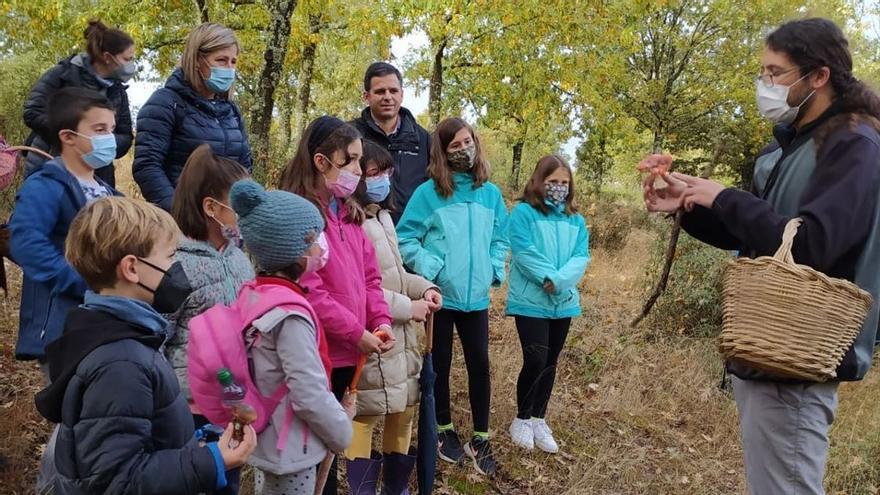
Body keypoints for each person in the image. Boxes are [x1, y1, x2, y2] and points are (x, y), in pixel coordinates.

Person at [642, 18, 880, 495]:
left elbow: (813, 246)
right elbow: (761, 237)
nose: (765, 84)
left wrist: (726, 197)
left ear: (819, 76)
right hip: (767, 347)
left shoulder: (854, 146)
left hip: (801, 356)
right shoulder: (786, 149)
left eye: (776, 72)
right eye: (764, 73)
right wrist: (690, 206)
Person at [34, 196, 257, 493]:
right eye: (169, 256)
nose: (177, 266)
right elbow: (118, 481)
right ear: (131, 269)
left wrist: (195, 444)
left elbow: (137, 434)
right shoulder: (121, 364)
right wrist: (212, 461)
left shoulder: (120, 335)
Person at [279, 115, 395, 494]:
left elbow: (370, 279)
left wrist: (379, 321)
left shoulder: (350, 216)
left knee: (331, 450)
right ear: (321, 162)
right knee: (308, 453)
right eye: (351, 160)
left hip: (350, 353)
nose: (359, 171)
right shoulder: (299, 217)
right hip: (315, 354)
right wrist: (354, 331)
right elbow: (309, 291)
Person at [223, 179, 353, 495]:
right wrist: (342, 430)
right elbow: (307, 391)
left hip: (264, 441)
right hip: (291, 448)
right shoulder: (290, 314)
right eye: (312, 240)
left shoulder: (254, 295)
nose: (320, 248)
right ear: (290, 251)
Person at [396, 117, 509, 477]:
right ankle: (443, 431)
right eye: (455, 145)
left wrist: (494, 268)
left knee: (480, 365)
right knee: (439, 366)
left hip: (476, 298)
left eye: (468, 142)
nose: (464, 149)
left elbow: (500, 238)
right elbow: (404, 238)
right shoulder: (428, 193)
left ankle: (480, 437)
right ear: (443, 152)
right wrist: (434, 267)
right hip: (440, 298)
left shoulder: (489, 193)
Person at [344, 141, 443, 493]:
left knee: (402, 414)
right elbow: (359, 288)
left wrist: (424, 289)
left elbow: (399, 274)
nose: (383, 180)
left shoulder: (384, 218)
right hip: (376, 337)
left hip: (404, 344)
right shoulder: (353, 224)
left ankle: (396, 488)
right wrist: (407, 309)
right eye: (374, 173)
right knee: (366, 416)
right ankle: (362, 489)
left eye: (387, 173)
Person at [164, 144, 254, 494]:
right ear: (212, 208)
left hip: (231, 405)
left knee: (227, 484)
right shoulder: (176, 266)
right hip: (190, 411)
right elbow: (159, 338)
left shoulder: (240, 261)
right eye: (241, 207)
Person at [10, 87, 122, 366]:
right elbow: (27, 243)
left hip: (105, 322)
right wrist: (83, 283)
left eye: (111, 129)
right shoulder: (45, 185)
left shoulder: (111, 195)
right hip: (62, 327)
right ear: (68, 137)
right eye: (99, 129)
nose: (109, 138)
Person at [505, 155, 589, 454]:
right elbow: (523, 251)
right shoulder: (524, 213)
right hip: (531, 300)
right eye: (553, 182)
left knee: (551, 362)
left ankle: (539, 418)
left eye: (564, 183)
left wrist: (562, 280)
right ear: (539, 182)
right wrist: (549, 277)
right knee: (536, 359)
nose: (559, 188)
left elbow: (581, 256)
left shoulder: (576, 219)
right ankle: (522, 418)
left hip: (563, 301)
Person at [134, 22, 252, 211]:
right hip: (184, 223)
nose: (229, 68)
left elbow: (245, 169)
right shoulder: (166, 103)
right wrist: (179, 214)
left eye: (233, 62)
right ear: (197, 60)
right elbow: (147, 166)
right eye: (221, 60)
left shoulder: (231, 111)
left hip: (226, 221)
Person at [23, 20, 135, 187]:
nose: (132, 65)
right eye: (128, 59)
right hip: (47, 163)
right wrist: (75, 138)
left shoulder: (117, 91)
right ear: (108, 58)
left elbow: (125, 135)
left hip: (97, 176)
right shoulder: (62, 75)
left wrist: (103, 144)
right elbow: (32, 111)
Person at [352, 62, 431, 223]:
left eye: (393, 91)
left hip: (412, 234)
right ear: (366, 96)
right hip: (363, 229)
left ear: (401, 94)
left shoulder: (423, 139)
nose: (388, 97)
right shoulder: (350, 136)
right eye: (380, 91)